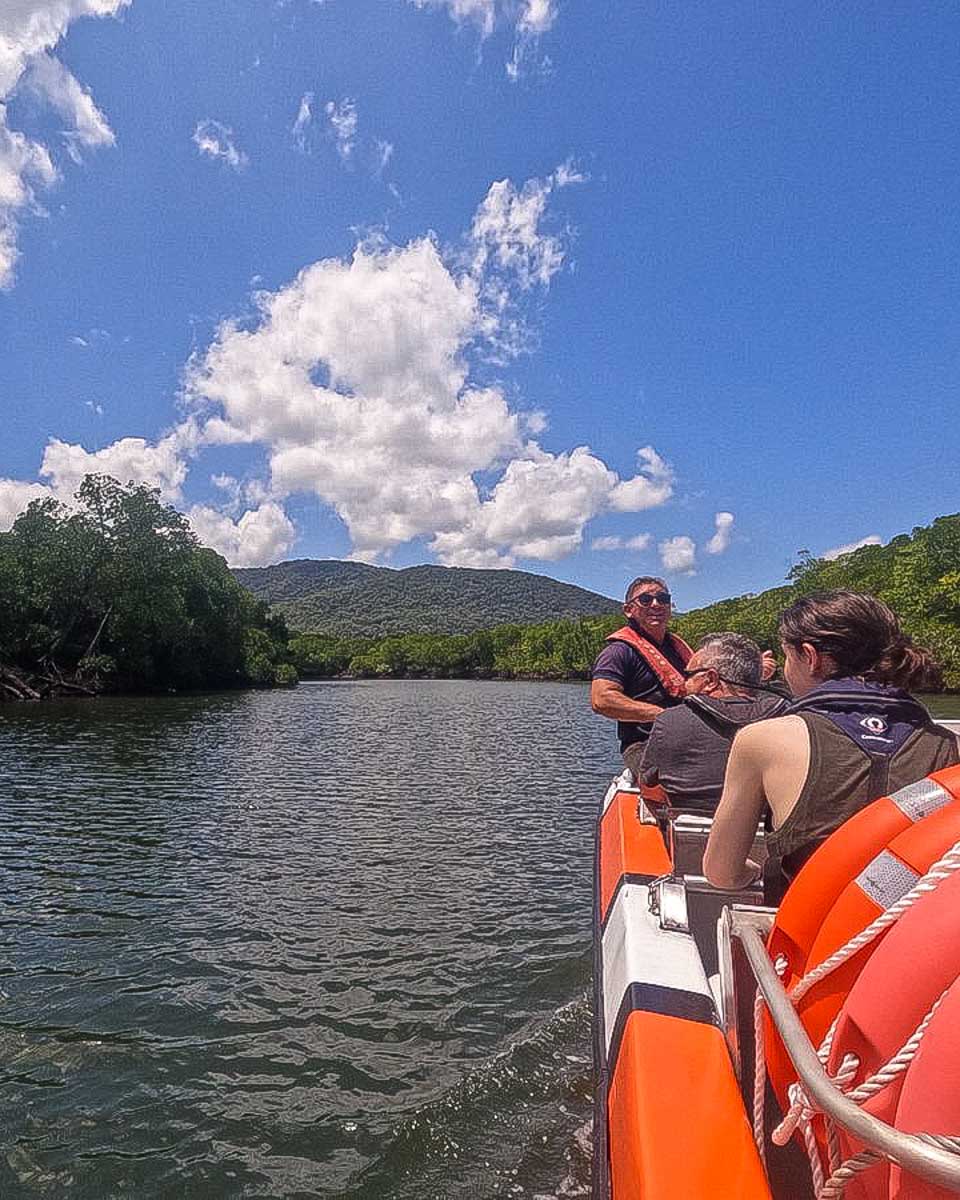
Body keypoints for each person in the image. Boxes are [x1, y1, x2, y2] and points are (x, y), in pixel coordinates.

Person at [703, 590, 960, 894]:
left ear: (810, 657)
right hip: (913, 937)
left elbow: (722, 873)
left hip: (812, 938)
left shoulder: (761, 739)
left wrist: (758, 872)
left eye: (788, 656)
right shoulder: (949, 746)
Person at [639, 633, 788, 814]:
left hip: (688, 837)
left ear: (710, 680)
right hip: (768, 836)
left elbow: (648, 788)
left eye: (689, 675)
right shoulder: (790, 721)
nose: (684, 683)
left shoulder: (670, 721)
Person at [591, 576, 692, 778]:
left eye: (663, 598)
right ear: (629, 610)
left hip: (689, 737)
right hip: (644, 744)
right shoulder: (618, 652)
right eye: (645, 599)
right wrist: (661, 715)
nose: (656, 604)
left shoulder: (678, 649)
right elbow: (601, 699)